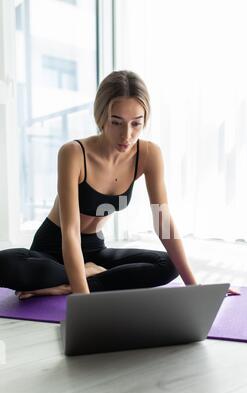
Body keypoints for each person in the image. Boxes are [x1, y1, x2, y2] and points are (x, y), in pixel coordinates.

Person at [0, 70, 202, 300]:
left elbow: (163, 222)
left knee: (168, 264)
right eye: (116, 122)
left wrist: (195, 288)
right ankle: (79, 276)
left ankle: (66, 283)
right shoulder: (74, 153)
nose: (126, 135)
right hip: (53, 248)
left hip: (96, 251)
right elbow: (70, 233)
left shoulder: (149, 154)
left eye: (136, 124)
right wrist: (84, 301)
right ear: (101, 116)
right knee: (5, 264)